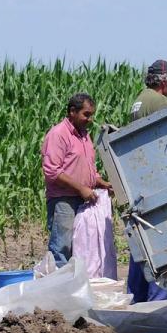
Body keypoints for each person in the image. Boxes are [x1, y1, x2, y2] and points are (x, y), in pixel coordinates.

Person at [126, 60, 167, 302]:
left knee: (141, 240)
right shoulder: (159, 102)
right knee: (160, 238)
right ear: (165, 80)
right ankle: (159, 300)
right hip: (156, 180)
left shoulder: (139, 99)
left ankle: (137, 297)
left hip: (139, 179)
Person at [41, 93, 112, 266]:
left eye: (91, 115)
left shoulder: (84, 135)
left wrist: (101, 183)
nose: (90, 119)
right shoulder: (58, 134)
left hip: (83, 199)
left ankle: (76, 286)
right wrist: (81, 188)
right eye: (86, 114)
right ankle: (60, 289)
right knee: (62, 248)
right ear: (72, 111)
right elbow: (52, 170)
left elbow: (88, 169)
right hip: (64, 200)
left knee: (81, 247)